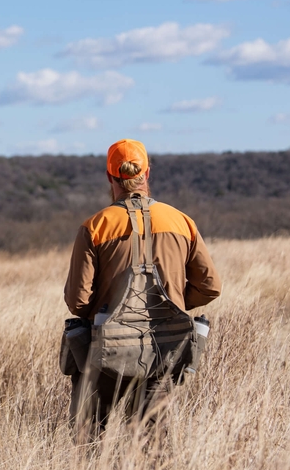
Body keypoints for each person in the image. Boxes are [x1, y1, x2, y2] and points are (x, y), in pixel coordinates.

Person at [64, 139, 221, 432]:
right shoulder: (182, 222)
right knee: (155, 441)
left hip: (106, 351)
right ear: (147, 174)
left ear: (110, 177)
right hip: (165, 351)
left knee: (92, 439)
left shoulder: (95, 226)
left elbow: (77, 301)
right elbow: (210, 286)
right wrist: (172, 305)